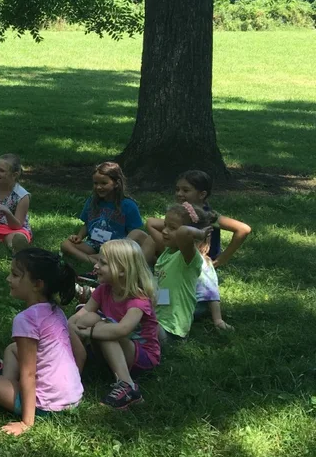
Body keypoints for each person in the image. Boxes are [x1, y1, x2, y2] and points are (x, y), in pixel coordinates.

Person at [0, 248, 83, 435]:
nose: (8, 279)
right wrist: (68, 387)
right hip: (73, 399)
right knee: (11, 349)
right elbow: (81, 353)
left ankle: (9, 390)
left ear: (38, 284)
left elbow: (29, 373)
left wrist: (26, 423)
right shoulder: (56, 311)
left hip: (44, 406)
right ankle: (6, 381)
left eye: (15, 275)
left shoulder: (26, 319)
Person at [67, 239, 160, 410]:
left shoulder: (138, 300)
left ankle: (128, 386)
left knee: (105, 330)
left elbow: (121, 330)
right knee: (91, 319)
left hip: (142, 357)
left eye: (103, 263)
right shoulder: (104, 290)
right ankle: (66, 361)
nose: (96, 266)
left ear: (122, 270)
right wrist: (68, 327)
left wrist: (89, 333)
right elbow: (80, 316)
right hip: (113, 349)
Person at [175, 169, 250, 330]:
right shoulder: (180, 213)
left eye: (186, 190)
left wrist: (223, 257)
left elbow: (243, 229)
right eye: (178, 189)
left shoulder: (210, 216)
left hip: (201, 267)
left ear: (202, 194)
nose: (179, 193)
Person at [145, 202, 215, 344]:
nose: (164, 231)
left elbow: (183, 232)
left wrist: (200, 234)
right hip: (158, 320)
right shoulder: (168, 252)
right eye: (165, 225)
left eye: (172, 228)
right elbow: (151, 223)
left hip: (172, 330)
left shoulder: (189, 258)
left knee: (132, 327)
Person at [62, 161, 146, 268]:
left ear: (116, 183)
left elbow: (134, 233)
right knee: (66, 245)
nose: (98, 187)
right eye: (95, 183)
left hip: (113, 247)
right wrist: (79, 236)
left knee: (108, 254)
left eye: (103, 183)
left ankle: (98, 259)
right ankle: (95, 261)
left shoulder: (128, 205)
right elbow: (87, 224)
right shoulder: (92, 201)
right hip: (93, 244)